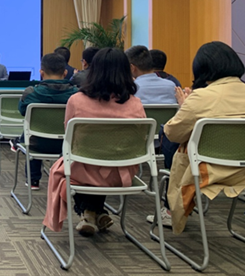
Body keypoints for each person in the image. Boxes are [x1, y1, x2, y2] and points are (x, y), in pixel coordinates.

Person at [44, 48, 146, 237]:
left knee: (71, 160)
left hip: (85, 170)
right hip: (122, 173)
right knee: (96, 159)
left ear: (93, 70)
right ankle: (97, 212)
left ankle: (88, 212)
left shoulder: (76, 101)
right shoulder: (136, 104)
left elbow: (70, 137)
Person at [162, 42, 245, 234]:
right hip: (242, 171)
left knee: (168, 136)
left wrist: (184, 106)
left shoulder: (202, 97)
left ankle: (169, 209)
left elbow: (173, 133)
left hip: (208, 170)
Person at [17, 53, 78, 190]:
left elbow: (22, 111)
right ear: (65, 72)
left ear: (41, 72)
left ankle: (33, 180)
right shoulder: (76, 95)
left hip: (37, 145)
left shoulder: (30, 93)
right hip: (68, 146)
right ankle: (66, 178)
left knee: (32, 133)